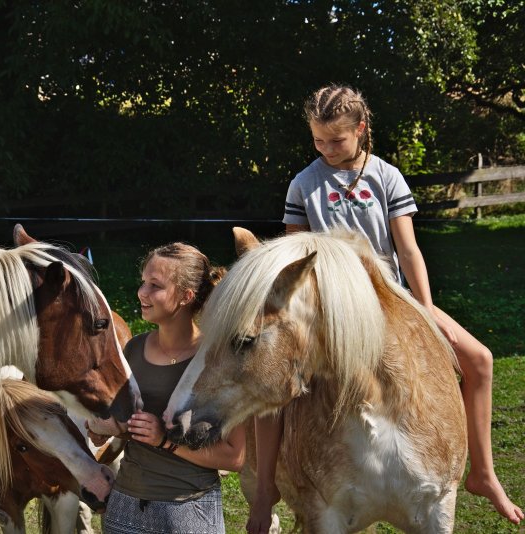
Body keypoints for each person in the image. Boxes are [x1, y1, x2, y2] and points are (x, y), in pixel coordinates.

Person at [246, 84, 524, 533]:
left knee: (480, 359)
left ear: (361, 129)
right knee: (276, 378)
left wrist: (425, 311)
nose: (326, 149)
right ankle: (263, 495)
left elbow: (408, 250)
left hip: (394, 297)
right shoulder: (303, 183)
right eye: (318, 140)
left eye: (336, 140)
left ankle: (483, 474)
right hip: (330, 308)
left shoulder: (387, 176)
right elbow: (293, 252)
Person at [87, 242, 246, 534]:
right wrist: (105, 427)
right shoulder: (133, 349)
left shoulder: (218, 359)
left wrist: (165, 441)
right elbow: (129, 426)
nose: (142, 293)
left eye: (155, 285)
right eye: (143, 282)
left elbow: (234, 456)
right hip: (124, 508)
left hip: (188, 511)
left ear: (186, 296)